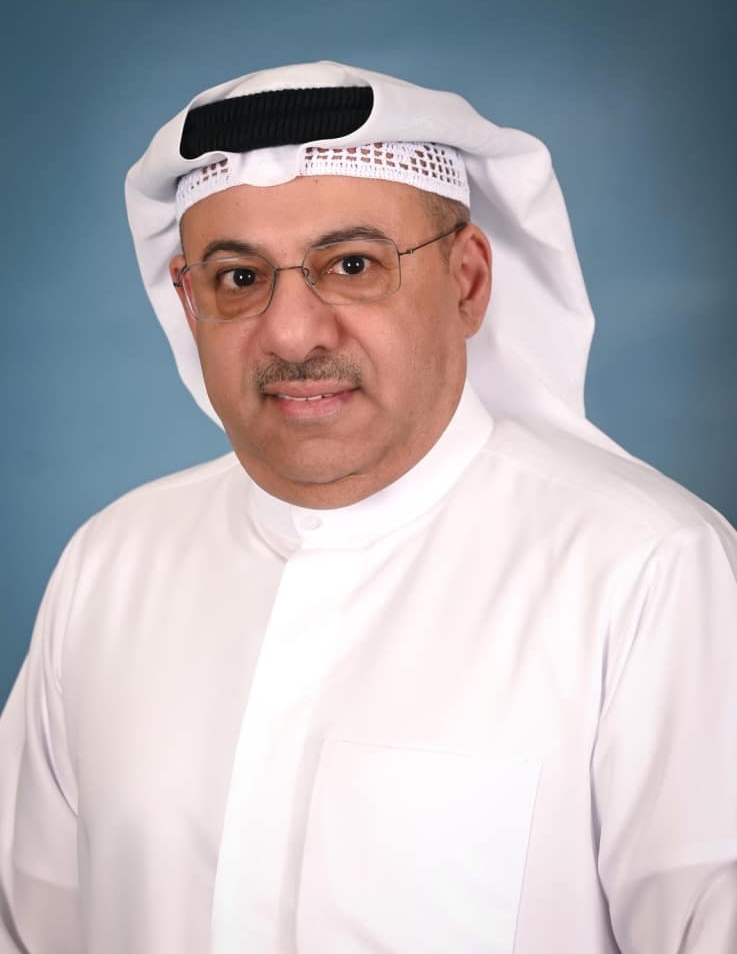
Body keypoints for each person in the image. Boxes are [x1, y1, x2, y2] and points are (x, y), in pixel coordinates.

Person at [1, 61, 735, 954]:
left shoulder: (645, 572)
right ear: (189, 301)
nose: (291, 332)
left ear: (466, 281)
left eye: (352, 266)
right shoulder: (112, 565)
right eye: (239, 278)